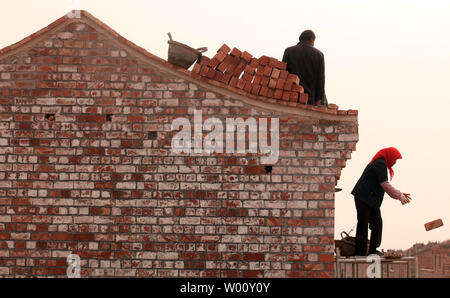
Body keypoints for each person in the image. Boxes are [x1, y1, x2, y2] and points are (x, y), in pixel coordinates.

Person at [351, 147, 412, 256]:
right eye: (395, 159)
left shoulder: (381, 164)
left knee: (377, 223)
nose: (394, 162)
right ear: (390, 156)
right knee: (363, 224)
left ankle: (372, 251)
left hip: (371, 199)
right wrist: (399, 196)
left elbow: (383, 184)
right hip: (363, 197)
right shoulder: (379, 164)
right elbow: (384, 184)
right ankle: (359, 252)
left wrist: (400, 194)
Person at [282, 30, 326, 106]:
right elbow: (320, 80)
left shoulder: (289, 51)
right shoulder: (319, 55)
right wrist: (318, 99)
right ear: (312, 40)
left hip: (290, 95)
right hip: (309, 98)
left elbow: (283, 73)